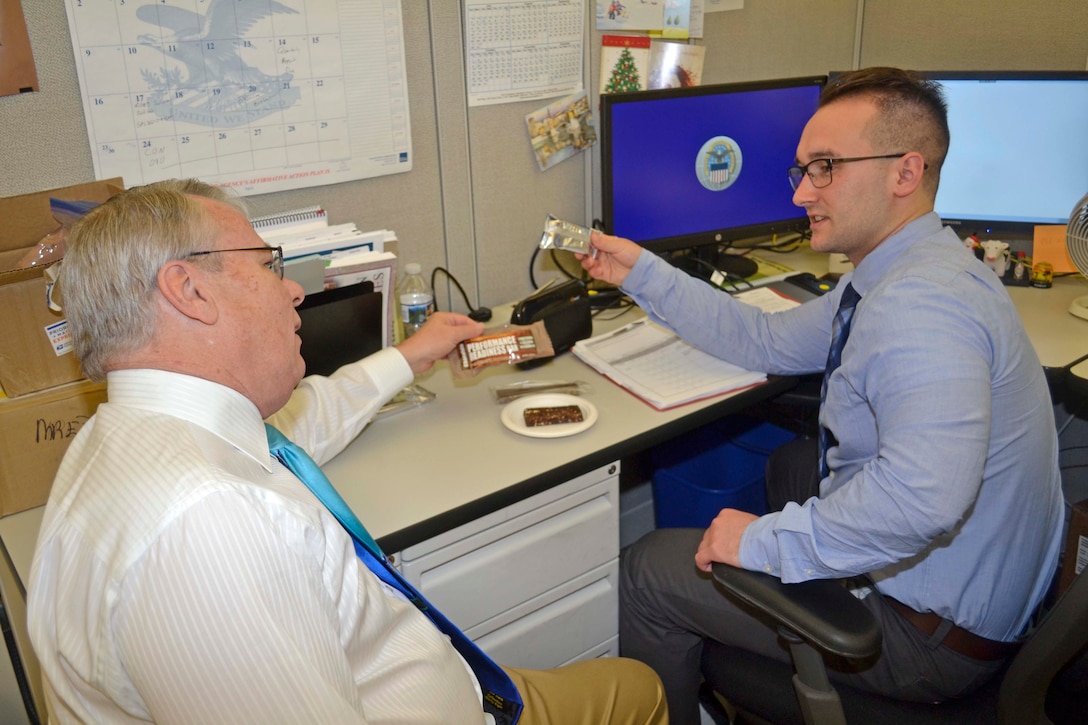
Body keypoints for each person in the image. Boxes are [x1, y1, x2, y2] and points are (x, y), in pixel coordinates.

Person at [26, 179, 667, 724]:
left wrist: (411, 355)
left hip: (453, 685)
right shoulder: (208, 524)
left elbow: (299, 429)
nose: (294, 290)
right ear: (189, 291)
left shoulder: (134, 435)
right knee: (642, 691)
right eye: (266, 264)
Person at [578, 67, 1063, 723]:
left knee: (648, 571)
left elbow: (924, 496)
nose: (804, 190)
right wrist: (640, 272)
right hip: (986, 585)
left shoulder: (920, 309)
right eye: (803, 169)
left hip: (934, 640)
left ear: (904, 172)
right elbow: (770, 341)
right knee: (790, 466)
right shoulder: (915, 265)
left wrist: (763, 544)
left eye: (827, 167)